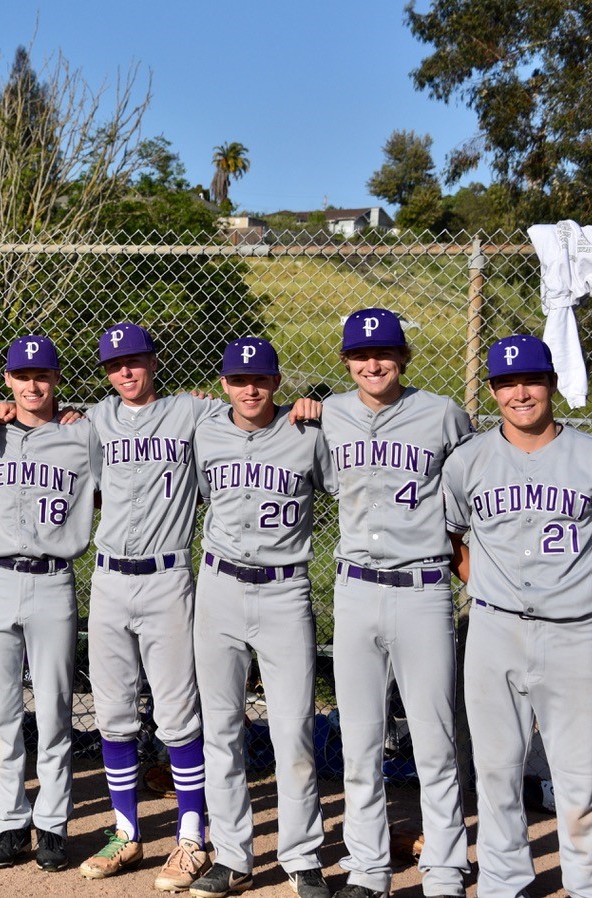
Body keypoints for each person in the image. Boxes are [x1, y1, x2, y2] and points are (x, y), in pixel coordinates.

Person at [443, 334, 592, 898]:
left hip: (573, 635)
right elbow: (453, 542)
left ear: (552, 384)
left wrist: (569, 593)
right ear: (493, 390)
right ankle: (504, 886)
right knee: (497, 774)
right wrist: (492, 587)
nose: (519, 393)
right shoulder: (468, 461)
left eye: (530, 380)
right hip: (493, 631)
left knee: (581, 782)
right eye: (506, 383)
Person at [321, 308, 471, 898]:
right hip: (355, 589)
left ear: (403, 357)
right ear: (347, 362)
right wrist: (305, 405)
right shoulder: (329, 413)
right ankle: (368, 871)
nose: (372, 363)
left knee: (434, 741)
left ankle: (444, 869)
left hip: (423, 590)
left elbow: (471, 496)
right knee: (358, 744)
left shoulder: (440, 414)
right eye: (360, 355)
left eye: (383, 353)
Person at [187, 338, 333, 898]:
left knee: (293, 727)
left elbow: (344, 485)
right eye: (239, 379)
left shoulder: (304, 435)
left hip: (283, 590)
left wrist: (322, 412)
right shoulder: (206, 433)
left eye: (262, 379)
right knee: (221, 728)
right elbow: (199, 493)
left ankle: (301, 857)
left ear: (276, 383)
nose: (251, 389)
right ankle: (232, 855)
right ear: (223, 383)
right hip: (219, 585)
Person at [77, 322, 220, 890]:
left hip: (167, 577)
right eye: (115, 365)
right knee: (113, 714)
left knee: (177, 713)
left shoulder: (193, 413)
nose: (126, 372)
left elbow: (251, 413)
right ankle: (125, 834)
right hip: (109, 579)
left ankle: (192, 839)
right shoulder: (93, 419)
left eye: (134, 361)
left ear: (154, 361)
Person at [0, 335, 101, 873]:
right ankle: (9, 823)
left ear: (55, 380)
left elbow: (132, 427)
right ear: (7, 380)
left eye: (42, 376)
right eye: (22, 376)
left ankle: (51, 825)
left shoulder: (83, 436)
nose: (32, 385)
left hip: (53, 580)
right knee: (1, 713)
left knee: (53, 709)